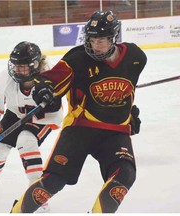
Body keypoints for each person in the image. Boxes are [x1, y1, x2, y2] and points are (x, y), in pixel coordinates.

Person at [11, 10, 147, 213]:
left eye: (101, 40)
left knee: (125, 175)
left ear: (113, 38)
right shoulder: (77, 59)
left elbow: (128, 89)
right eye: (92, 39)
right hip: (80, 128)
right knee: (53, 181)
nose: (95, 45)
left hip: (115, 132)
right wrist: (43, 88)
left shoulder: (136, 58)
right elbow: (47, 79)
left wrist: (128, 112)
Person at [0, 41, 63, 213]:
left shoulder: (49, 79)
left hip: (43, 119)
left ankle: (38, 195)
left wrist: (35, 116)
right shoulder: (5, 78)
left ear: (36, 65)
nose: (17, 70)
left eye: (22, 67)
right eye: (15, 66)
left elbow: (57, 114)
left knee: (26, 141)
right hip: (16, 113)